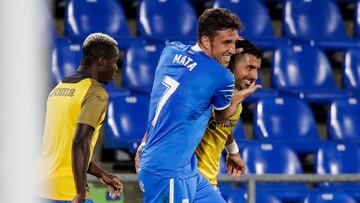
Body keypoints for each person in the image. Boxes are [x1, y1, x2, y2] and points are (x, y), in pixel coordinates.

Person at [137, 8, 261, 203]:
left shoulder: (170, 51)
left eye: (234, 43)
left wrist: (145, 142)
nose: (231, 49)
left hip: (187, 167)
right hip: (167, 168)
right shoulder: (222, 76)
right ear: (205, 41)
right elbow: (221, 117)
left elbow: (170, 104)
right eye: (226, 42)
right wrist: (239, 97)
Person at [37, 33, 123, 203]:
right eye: (114, 61)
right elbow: (80, 142)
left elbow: (64, 149)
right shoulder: (95, 93)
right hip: (66, 192)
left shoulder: (58, 88)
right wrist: (80, 192)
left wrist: (101, 173)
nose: (115, 68)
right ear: (101, 61)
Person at [195, 38, 262, 188]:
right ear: (231, 63)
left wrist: (233, 152)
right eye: (249, 67)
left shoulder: (236, 102)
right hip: (188, 180)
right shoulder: (207, 90)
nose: (255, 76)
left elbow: (222, 127)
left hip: (208, 182)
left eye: (257, 69)